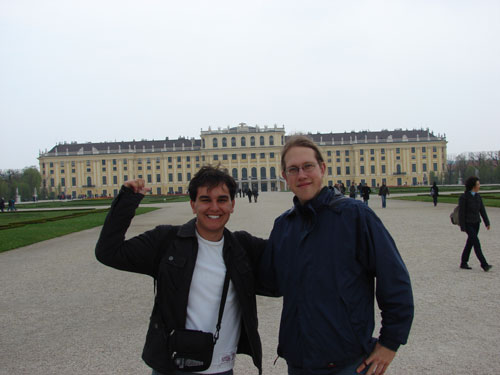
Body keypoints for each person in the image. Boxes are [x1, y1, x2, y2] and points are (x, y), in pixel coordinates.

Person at [259, 135, 414, 375]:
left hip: (347, 363)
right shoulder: (284, 225)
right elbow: (272, 282)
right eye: (293, 169)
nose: (301, 175)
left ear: (322, 168)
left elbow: (394, 279)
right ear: (285, 176)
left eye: (307, 166)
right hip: (298, 362)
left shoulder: (355, 216)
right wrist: (229, 246)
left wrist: (390, 343)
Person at [95, 165, 267, 375]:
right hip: (173, 367)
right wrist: (127, 200)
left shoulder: (244, 247)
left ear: (232, 204)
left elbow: (286, 267)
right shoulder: (166, 241)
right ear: (193, 204)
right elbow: (108, 252)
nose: (214, 207)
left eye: (222, 200)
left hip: (222, 368)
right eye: (205, 200)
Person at [458, 176, 492, 272]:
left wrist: (487, 222)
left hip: (476, 223)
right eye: (478, 184)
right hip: (468, 224)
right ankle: (484, 264)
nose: (479, 186)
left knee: (470, 243)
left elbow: (482, 210)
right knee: (476, 243)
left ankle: (463, 262)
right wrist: (463, 226)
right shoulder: (464, 197)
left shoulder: (478, 197)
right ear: (473, 186)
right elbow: (461, 213)